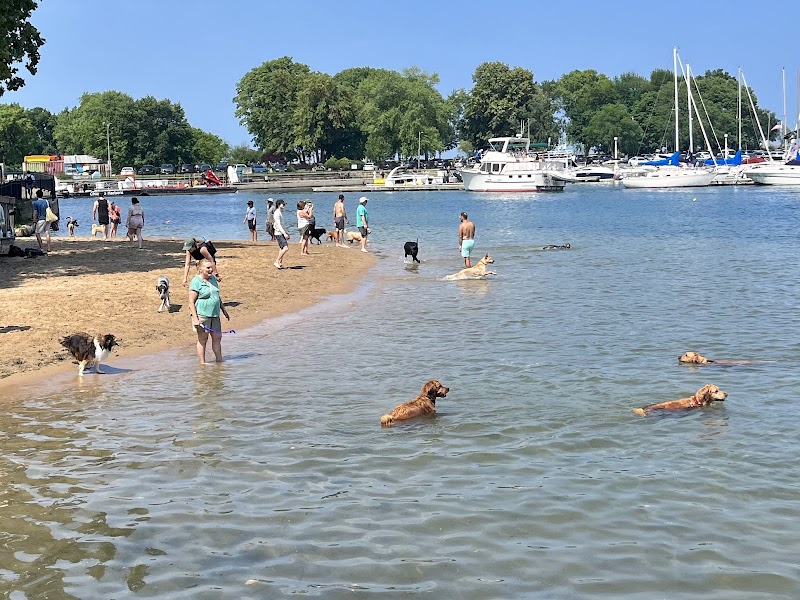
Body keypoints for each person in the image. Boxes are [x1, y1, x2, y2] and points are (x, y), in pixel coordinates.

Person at [189, 258, 230, 364]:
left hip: (215, 314)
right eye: (208, 268)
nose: (211, 270)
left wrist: (223, 310)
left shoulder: (213, 279)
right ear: (200, 269)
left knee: (217, 338)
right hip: (202, 315)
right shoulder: (196, 281)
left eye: (211, 267)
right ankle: (202, 363)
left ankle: (219, 361)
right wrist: (195, 319)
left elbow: (217, 295)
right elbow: (191, 302)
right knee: (203, 339)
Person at [273, 199, 290, 269]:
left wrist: (286, 232)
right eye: (283, 204)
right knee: (286, 248)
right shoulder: (277, 213)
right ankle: (276, 261)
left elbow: (282, 224)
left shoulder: (280, 212)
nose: (284, 205)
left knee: (282, 248)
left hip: (280, 232)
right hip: (278, 233)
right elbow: (278, 224)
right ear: (278, 205)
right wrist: (284, 233)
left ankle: (280, 263)